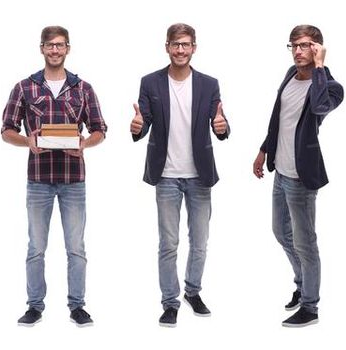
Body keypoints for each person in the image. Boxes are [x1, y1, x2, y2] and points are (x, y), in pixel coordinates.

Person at [0, 25, 108, 328]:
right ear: (42, 48)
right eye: (50, 45)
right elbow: (7, 130)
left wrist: (86, 143)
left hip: (74, 179)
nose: (55, 50)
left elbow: (100, 128)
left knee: (76, 248)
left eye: (60, 45)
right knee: (36, 247)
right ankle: (34, 306)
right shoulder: (25, 87)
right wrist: (28, 142)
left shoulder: (83, 88)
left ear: (68, 48)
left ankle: (77, 306)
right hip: (39, 180)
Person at [129, 23, 230, 328]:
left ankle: (193, 292)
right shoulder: (150, 82)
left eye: (186, 44)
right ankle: (170, 301)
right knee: (168, 243)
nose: (181, 50)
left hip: (200, 175)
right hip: (166, 175)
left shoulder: (209, 84)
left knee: (199, 242)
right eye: (176, 44)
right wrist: (136, 127)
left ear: (194, 48)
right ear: (167, 47)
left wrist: (223, 127)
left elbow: (220, 119)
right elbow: (143, 121)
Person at [252, 24, 344, 328]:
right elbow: (278, 116)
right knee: (280, 232)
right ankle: (303, 282)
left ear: (318, 48)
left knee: (306, 243)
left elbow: (318, 107)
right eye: (294, 46)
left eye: (305, 45)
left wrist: (320, 67)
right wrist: (264, 149)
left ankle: (310, 306)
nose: (298, 51)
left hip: (303, 177)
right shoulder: (289, 77)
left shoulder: (331, 87)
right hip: (281, 170)